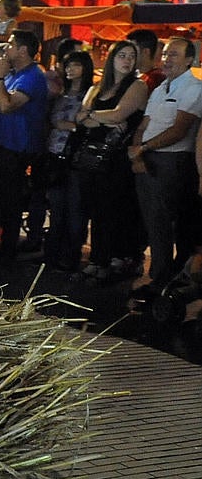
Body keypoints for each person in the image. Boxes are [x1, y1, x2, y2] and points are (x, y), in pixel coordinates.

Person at [128, 36, 202, 299]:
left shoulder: (193, 88)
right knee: (153, 221)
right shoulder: (160, 88)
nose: (167, 59)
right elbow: (144, 124)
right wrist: (137, 152)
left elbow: (179, 130)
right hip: (148, 158)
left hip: (172, 161)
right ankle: (159, 276)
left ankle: (169, 281)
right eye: (166, 53)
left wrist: (144, 148)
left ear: (190, 60)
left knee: (167, 222)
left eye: (174, 55)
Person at [71, 40, 149, 283]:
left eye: (131, 57)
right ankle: (95, 260)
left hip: (116, 159)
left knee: (110, 212)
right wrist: (101, 117)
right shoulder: (97, 87)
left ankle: (105, 262)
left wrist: (96, 116)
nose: (127, 60)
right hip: (91, 157)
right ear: (112, 58)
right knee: (93, 210)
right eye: (122, 55)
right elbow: (80, 118)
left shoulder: (137, 86)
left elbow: (119, 114)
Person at [0, 29, 48, 260]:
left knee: (10, 203)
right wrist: (0, 96)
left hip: (16, 150)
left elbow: (6, 105)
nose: (6, 48)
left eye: (10, 44)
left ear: (22, 50)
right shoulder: (14, 74)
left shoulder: (32, 76)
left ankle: (7, 252)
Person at [43, 49, 95, 272]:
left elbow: (83, 124)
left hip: (75, 158)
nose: (70, 69)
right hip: (54, 155)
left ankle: (71, 256)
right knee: (56, 207)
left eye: (75, 65)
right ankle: (51, 255)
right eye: (68, 65)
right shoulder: (60, 95)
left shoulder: (89, 95)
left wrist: (69, 126)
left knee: (75, 209)